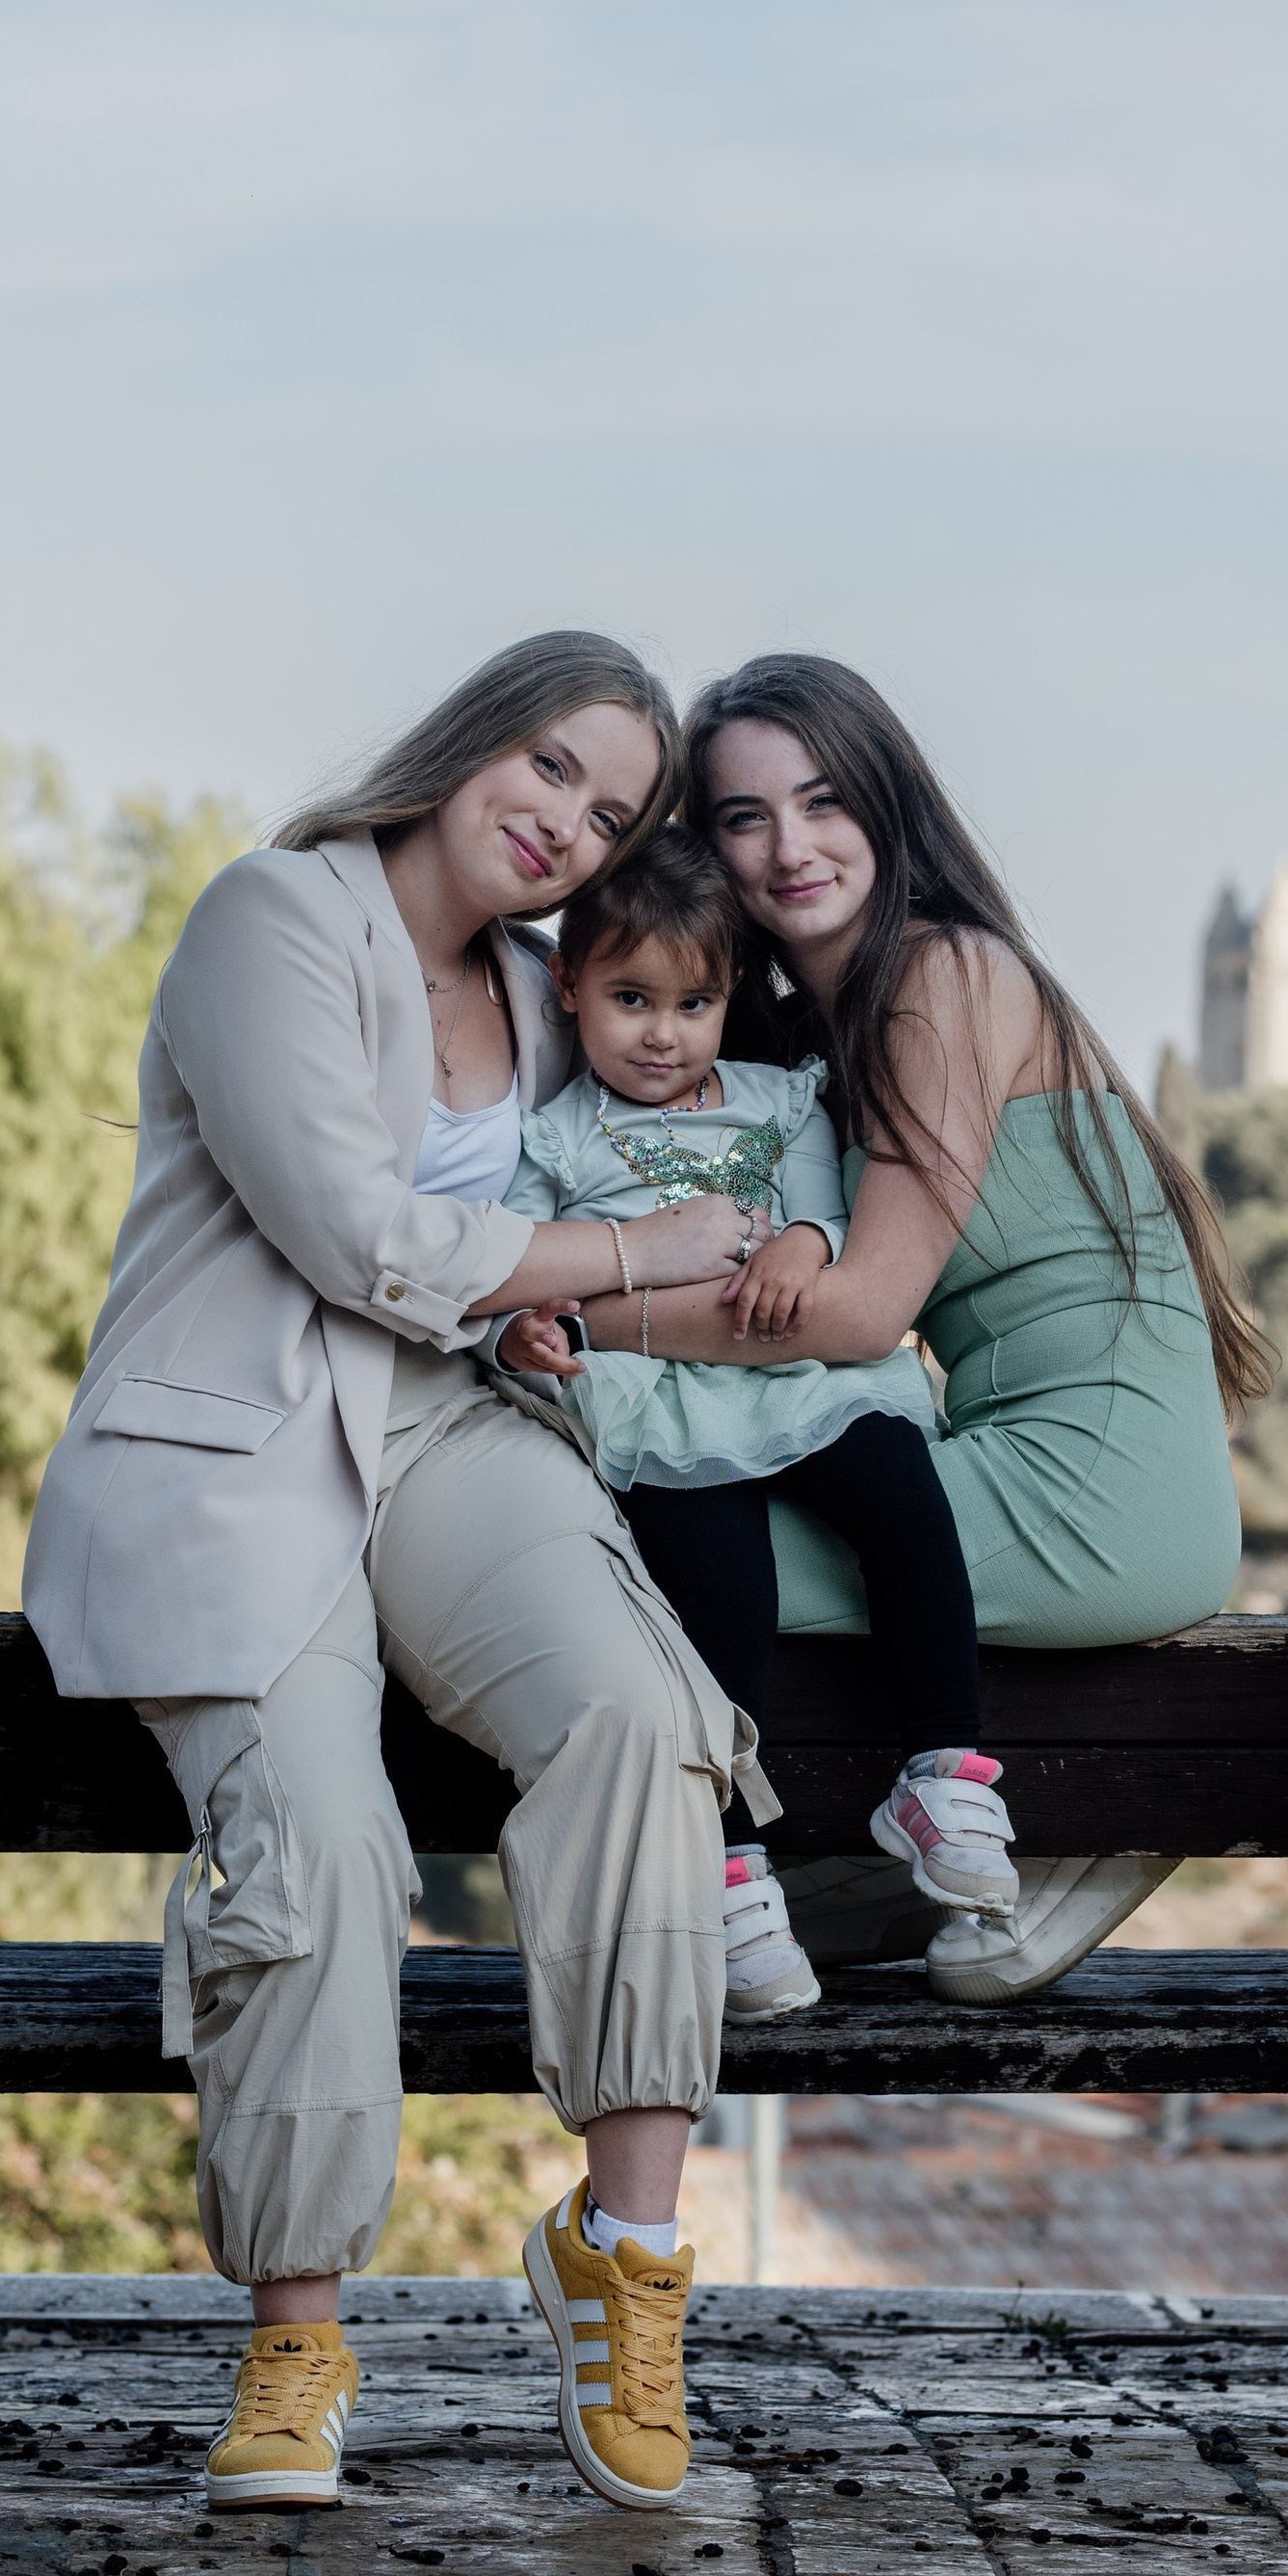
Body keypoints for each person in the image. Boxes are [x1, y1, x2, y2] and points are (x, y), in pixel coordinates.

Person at [22, 633, 760, 2528]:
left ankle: (629, 2252)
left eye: (605, 812)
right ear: (464, 740)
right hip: (236, 1451)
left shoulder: (537, 985)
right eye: (543, 766)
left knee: (637, 1717)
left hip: (444, 1425)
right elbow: (348, 1225)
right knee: (323, 1844)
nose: (559, 824)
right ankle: (295, 2335)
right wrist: (612, 1254)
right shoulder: (271, 915)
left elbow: (467, 1267)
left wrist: (537, 1321)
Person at [566, 652, 1273, 2004]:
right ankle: (836, 1881)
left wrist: (574, 1303)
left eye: (825, 800)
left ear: (890, 805)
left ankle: (1054, 1823)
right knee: (695, 1517)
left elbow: (861, 1308)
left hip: (1097, 1488)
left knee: (635, 1541)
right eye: (743, 816)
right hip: (1064, 1468)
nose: (791, 847)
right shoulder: (807, 1037)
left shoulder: (938, 976)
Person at [494, 824, 1016, 2023]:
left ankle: (945, 1767)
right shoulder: (555, 1137)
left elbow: (830, 1213)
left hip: (791, 1373)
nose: (662, 1032)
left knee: (901, 1495)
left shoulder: (783, 1102)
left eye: (694, 1001)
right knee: (720, 1595)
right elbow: (519, 1265)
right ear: (569, 987)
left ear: (733, 996)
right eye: (629, 998)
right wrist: (516, 1333)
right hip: (661, 1398)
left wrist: (801, 1240)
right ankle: (726, 1864)